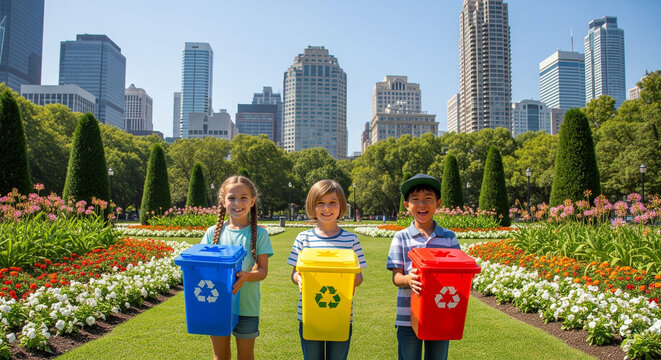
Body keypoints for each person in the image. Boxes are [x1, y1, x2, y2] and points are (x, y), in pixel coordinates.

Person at [287, 179, 367, 360]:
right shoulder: (303, 238)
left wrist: (351, 279)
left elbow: (359, 276)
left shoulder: (351, 240)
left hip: (341, 313)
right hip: (309, 314)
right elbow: (295, 272)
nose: (326, 208)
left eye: (332, 203)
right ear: (311, 206)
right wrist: (298, 279)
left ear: (341, 206)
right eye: (320, 203)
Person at [386, 173, 461, 360]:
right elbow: (396, 277)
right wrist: (408, 279)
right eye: (415, 199)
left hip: (442, 313)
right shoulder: (401, 237)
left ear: (438, 203)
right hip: (407, 316)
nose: (421, 204)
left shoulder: (449, 238)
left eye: (428, 199)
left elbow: (458, 273)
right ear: (407, 205)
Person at [201, 175, 273, 360]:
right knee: (220, 357)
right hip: (217, 305)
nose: (237, 203)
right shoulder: (212, 233)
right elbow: (202, 267)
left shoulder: (260, 234)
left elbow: (263, 271)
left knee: (246, 357)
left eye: (243, 198)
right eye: (231, 198)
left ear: (252, 202)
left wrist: (247, 276)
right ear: (223, 201)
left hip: (247, 307)